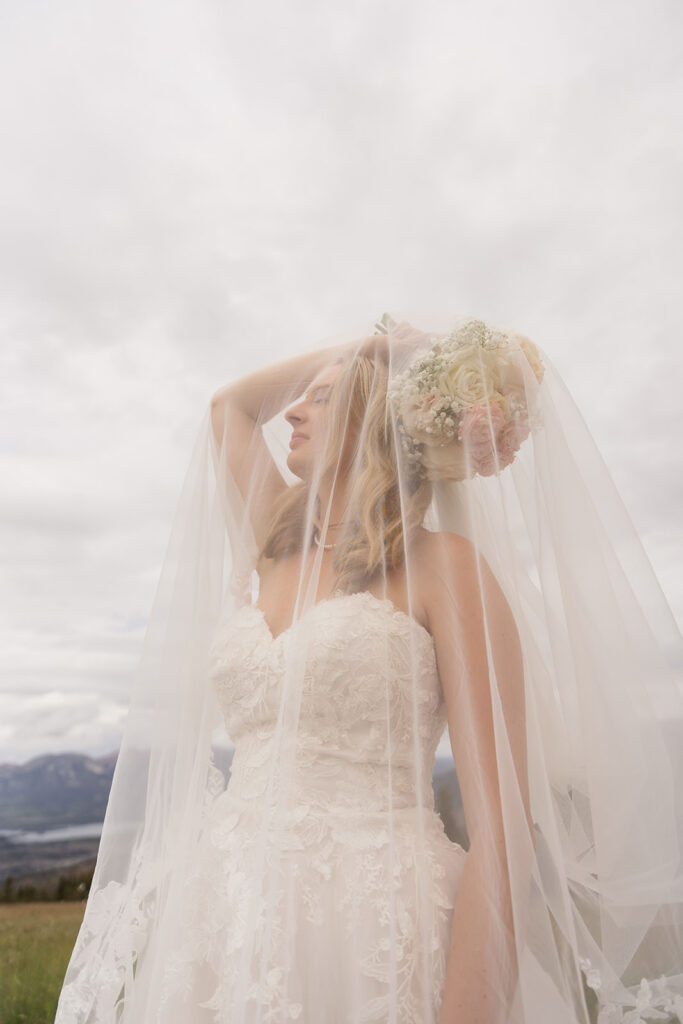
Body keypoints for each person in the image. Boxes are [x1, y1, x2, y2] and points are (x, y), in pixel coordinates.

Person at [55, 313, 683, 1024]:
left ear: (380, 424)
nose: (290, 409)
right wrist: (371, 351)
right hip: (225, 914)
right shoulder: (275, 546)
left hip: (380, 921)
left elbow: (504, 829)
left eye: (320, 399)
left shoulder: (447, 568)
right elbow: (228, 408)